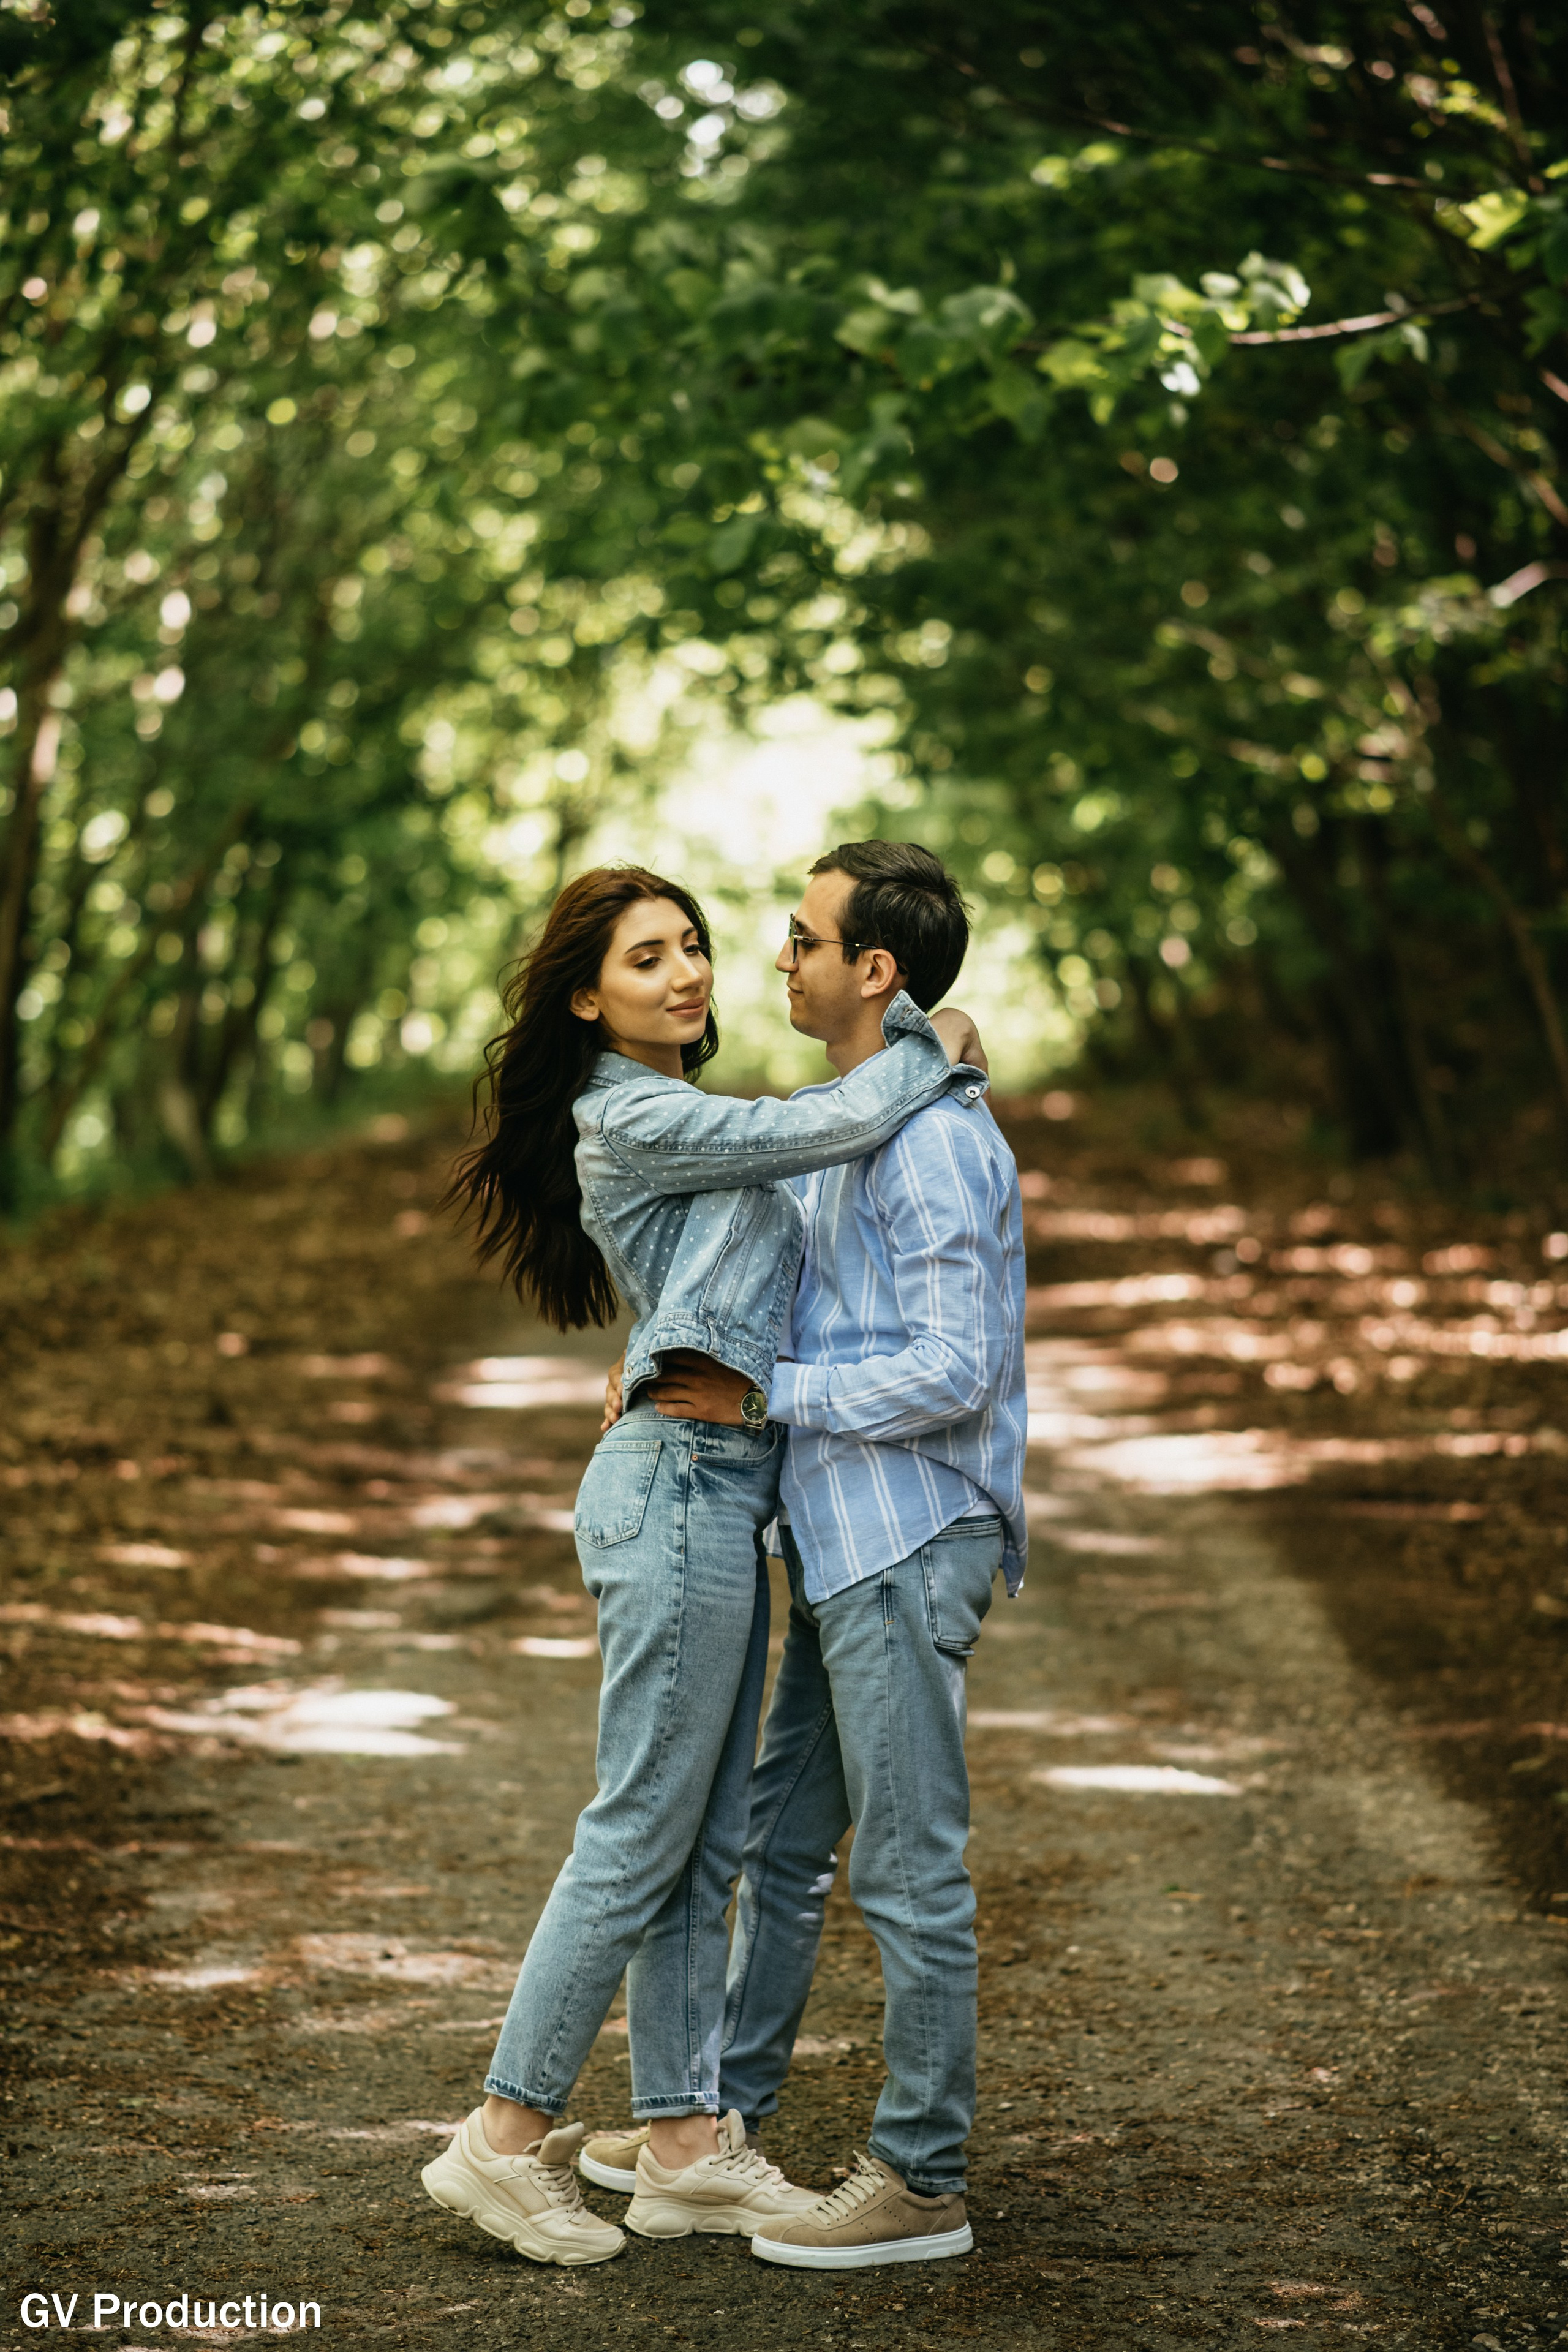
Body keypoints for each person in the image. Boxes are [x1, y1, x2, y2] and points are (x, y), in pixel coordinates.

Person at [420, 862, 986, 2267]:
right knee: (635, 1829)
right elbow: (842, 1118)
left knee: (705, 1838)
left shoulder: (688, 1117)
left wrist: (664, 1344)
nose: (686, 975)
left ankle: (684, 2148)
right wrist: (938, 1037)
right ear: (584, 996)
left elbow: (753, 1272)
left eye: (693, 949)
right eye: (644, 959)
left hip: (722, 1487)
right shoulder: (635, 1112)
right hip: (675, 1487)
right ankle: (499, 2136)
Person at [590, 841, 1027, 2271]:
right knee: (778, 1848)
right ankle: (716, 2131)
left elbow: (955, 1370)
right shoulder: (853, 1119)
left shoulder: (938, 1139)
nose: (768, 961)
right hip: (835, 1540)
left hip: (908, 1535)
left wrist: (766, 1398)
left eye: (799, 940)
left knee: (906, 1867)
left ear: (873, 972)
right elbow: (797, 1302)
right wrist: (660, 1361)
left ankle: (920, 2177)